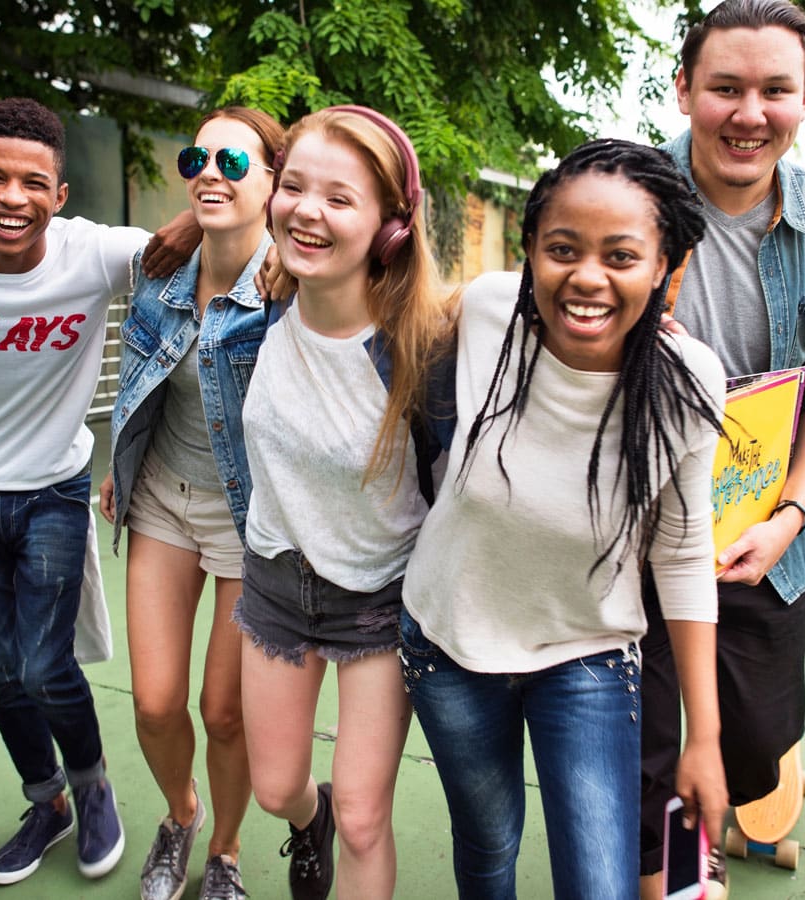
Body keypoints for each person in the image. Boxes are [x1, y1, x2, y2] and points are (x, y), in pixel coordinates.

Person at [398, 139, 729, 900]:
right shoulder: (486, 311)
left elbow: (681, 554)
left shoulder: (689, 382)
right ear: (531, 256)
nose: (586, 277)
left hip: (587, 650)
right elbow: (369, 287)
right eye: (561, 249)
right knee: (487, 849)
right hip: (450, 643)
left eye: (620, 256)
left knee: (602, 884)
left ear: (663, 269)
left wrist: (703, 738)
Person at [0, 97, 196, 886]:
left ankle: (93, 789)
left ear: (59, 196)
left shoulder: (95, 254)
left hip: (53, 488)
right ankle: (45, 802)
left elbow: (202, 249)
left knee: (45, 665)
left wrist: (192, 217)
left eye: (32, 182)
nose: (11, 196)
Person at [639, 2, 805, 896]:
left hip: (759, 519)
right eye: (725, 87)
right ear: (685, 90)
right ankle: (687, 861)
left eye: (774, 90)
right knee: (641, 731)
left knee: (755, 739)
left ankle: (757, 783)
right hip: (632, 514)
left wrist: (792, 518)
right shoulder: (624, 194)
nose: (748, 113)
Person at [236, 105, 455, 900]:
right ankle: (308, 822)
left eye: (339, 198)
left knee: (364, 817)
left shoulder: (427, 343)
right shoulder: (256, 303)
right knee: (276, 789)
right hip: (277, 580)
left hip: (379, 598)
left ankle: (340, 827)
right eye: (294, 187)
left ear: (392, 227)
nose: (306, 211)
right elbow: (211, 194)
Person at [99, 105, 283, 900]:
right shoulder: (161, 272)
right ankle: (182, 817)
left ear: (276, 181)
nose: (211, 172)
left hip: (252, 522)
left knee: (225, 712)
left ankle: (230, 852)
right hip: (163, 502)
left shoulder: (294, 286)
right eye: (197, 159)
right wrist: (121, 460)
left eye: (235, 163)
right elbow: (142, 384)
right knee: (154, 702)